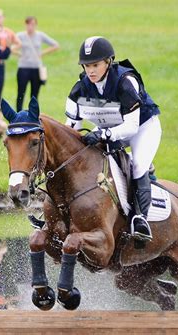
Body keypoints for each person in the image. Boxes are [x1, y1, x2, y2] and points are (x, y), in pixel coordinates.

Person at [65, 37, 162, 242]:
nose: (90, 71)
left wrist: (103, 134)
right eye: (87, 65)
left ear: (108, 62)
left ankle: (140, 220)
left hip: (142, 128)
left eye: (95, 65)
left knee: (137, 167)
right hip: (110, 126)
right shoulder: (79, 88)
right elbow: (70, 126)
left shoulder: (125, 81)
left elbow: (131, 127)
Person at [15, 16, 59, 111]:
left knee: (34, 94)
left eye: (33, 25)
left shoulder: (40, 35)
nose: (31, 27)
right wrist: (19, 54)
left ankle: (33, 114)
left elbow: (55, 45)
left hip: (36, 68)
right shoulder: (20, 36)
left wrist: (42, 53)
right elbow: (11, 47)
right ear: (25, 25)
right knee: (21, 92)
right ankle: (18, 113)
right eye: (29, 24)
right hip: (23, 67)